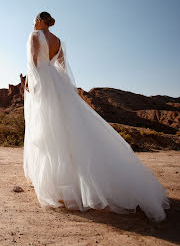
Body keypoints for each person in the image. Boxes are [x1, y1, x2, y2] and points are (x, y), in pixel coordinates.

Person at [23, 11, 170, 222]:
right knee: (68, 130)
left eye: (34, 19)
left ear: (40, 20)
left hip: (43, 83)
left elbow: (34, 62)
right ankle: (75, 184)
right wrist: (62, 88)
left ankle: (58, 186)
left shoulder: (35, 35)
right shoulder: (58, 41)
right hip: (56, 83)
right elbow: (62, 66)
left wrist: (30, 83)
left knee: (48, 130)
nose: (33, 22)